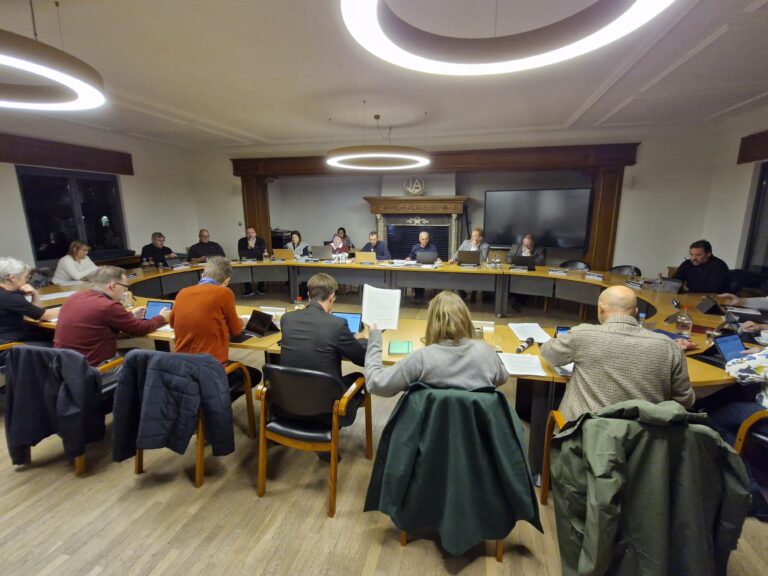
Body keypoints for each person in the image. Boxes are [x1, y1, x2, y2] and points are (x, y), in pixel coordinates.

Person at [540, 285, 695, 422]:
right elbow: (685, 400)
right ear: (635, 312)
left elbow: (549, 353)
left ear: (601, 308)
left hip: (586, 434)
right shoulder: (669, 346)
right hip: (645, 438)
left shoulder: (583, 334)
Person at [365, 291, 508, 397]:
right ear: (466, 319)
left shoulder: (421, 359)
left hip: (428, 428)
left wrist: (375, 340)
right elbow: (502, 377)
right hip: (476, 428)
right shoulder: (486, 353)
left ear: (432, 322)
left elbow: (376, 384)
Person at [54, 266, 170, 384]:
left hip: (65, 369)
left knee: (135, 352)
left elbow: (101, 319)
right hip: (94, 372)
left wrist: (130, 316)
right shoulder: (108, 306)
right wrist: (162, 317)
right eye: (124, 287)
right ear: (113, 286)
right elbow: (139, 329)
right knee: (146, 360)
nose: (125, 292)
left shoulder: (74, 297)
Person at [696, 347, 768, 520]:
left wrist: (757, 355)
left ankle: (752, 494)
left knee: (713, 417)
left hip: (763, 415)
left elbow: (735, 368)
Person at [170, 256, 262, 386]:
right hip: (211, 370)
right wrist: (243, 321)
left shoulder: (182, 293)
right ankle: (215, 397)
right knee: (254, 375)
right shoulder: (224, 292)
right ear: (226, 281)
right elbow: (236, 331)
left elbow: (172, 323)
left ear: (202, 275)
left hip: (182, 368)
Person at [279, 272, 366, 386]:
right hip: (327, 394)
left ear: (308, 295)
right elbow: (362, 359)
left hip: (289, 391)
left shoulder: (287, 318)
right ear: (331, 297)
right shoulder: (337, 324)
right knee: (359, 376)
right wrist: (359, 339)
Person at [0, 257, 59, 349]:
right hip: (9, 346)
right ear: (12, 278)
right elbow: (45, 315)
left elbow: (34, 312)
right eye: (25, 277)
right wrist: (70, 308)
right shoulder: (10, 297)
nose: (27, 281)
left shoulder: (5, 294)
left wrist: (34, 294)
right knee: (59, 341)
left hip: (8, 339)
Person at [450, 227, 490, 303]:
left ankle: (474, 293)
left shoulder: (485, 246)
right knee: (454, 275)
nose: (472, 237)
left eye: (475, 236)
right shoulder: (466, 242)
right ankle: (463, 294)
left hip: (477, 268)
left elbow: (483, 260)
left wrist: (475, 247)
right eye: (472, 235)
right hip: (464, 265)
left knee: (475, 277)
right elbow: (458, 252)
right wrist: (453, 259)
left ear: (480, 238)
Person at [406, 231, 440, 305]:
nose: (425, 241)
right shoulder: (415, 247)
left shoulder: (433, 247)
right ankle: (418, 296)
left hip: (429, 270)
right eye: (423, 239)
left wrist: (438, 259)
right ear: (419, 239)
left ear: (428, 239)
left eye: (426, 239)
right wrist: (408, 259)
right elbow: (410, 256)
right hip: (418, 269)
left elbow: (436, 258)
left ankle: (419, 296)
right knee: (415, 276)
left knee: (421, 277)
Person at [237, 226, 267, 296]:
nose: (250, 234)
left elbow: (262, 253)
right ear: (246, 234)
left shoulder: (261, 240)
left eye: (252, 232)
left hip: (259, 261)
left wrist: (254, 247)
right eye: (248, 233)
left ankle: (260, 288)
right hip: (246, 261)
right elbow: (241, 253)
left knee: (263, 269)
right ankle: (248, 290)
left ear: (255, 233)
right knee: (243, 269)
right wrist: (248, 247)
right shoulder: (241, 241)